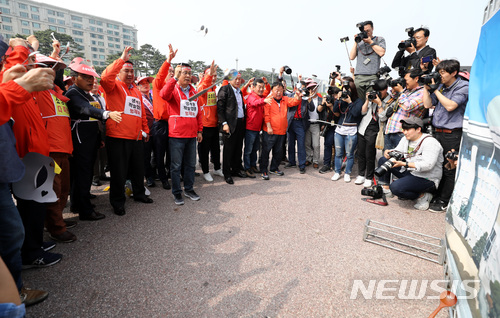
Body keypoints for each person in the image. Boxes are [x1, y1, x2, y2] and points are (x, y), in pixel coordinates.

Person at [0, 45, 56, 306]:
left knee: (20, 224)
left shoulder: (18, 85)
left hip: (27, 157)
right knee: (16, 226)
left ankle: (16, 286)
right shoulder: (15, 83)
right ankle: (13, 294)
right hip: (25, 156)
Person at [66, 58, 122, 220]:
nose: (92, 80)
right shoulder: (73, 93)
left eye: (92, 77)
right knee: (83, 174)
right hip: (80, 139)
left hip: (89, 138)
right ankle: (85, 210)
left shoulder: (84, 93)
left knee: (84, 173)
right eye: (86, 77)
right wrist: (107, 114)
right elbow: (87, 109)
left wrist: (99, 137)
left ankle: (78, 203)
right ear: (75, 78)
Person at [100, 47, 153, 216]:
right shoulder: (113, 86)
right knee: (119, 172)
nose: (130, 74)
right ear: (119, 72)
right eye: (126, 71)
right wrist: (121, 59)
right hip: (118, 137)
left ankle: (139, 194)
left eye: (132, 71)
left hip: (136, 137)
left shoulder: (136, 91)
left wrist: (145, 130)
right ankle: (117, 202)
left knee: (138, 169)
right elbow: (104, 77)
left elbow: (141, 113)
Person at [34, 49, 77, 243]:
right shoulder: (38, 91)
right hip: (49, 150)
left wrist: (56, 57)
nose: (52, 72)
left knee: (64, 189)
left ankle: (55, 221)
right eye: (47, 68)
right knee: (54, 190)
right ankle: (56, 228)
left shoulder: (58, 93)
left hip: (64, 149)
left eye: (54, 69)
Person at [423, 59, 469, 212]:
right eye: (439, 72)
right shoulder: (441, 86)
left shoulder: (463, 86)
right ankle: (436, 194)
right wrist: (426, 87)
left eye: (442, 73)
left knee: (449, 168)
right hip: (437, 132)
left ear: (454, 72)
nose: (440, 76)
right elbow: (427, 105)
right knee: (437, 165)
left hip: (452, 134)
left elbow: (450, 106)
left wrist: (435, 89)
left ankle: (444, 200)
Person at [160, 60, 206, 205]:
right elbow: (163, 94)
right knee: (175, 166)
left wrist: (200, 130)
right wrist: (173, 78)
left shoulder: (194, 91)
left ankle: (189, 189)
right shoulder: (173, 89)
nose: (187, 75)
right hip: (177, 135)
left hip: (192, 135)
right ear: (179, 74)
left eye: (189, 73)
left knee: (190, 165)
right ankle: (177, 192)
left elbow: (198, 113)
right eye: (184, 73)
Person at [377, 117, 443, 210]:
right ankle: (386, 189)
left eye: (407, 129)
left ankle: (423, 196)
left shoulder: (431, 142)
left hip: (427, 178)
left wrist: (404, 164)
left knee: (396, 187)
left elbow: (428, 165)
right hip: (411, 171)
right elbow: (398, 151)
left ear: (418, 129)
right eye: (403, 129)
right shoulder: (406, 139)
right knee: (384, 160)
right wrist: (389, 152)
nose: (404, 132)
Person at [261, 82, 301, 180]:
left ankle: (274, 168)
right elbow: (266, 115)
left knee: (278, 152)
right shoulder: (269, 100)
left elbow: (295, 102)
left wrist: (299, 97)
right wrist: (269, 126)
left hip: (282, 131)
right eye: (276, 90)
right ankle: (263, 170)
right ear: (272, 91)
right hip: (270, 131)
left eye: (281, 90)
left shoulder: (285, 99)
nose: (278, 93)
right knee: (266, 151)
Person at [354, 80, 389, 188]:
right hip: (363, 128)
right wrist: (367, 100)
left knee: (370, 155)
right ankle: (361, 174)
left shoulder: (389, 101)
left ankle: (369, 177)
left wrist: (379, 104)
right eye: (375, 91)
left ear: (385, 90)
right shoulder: (372, 97)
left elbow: (383, 117)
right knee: (361, 153)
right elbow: (363, 112)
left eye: (379, 91)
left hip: (375, 129)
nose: (377, 93)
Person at [151, 44, 177, 190]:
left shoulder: (174, 88)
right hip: (160, 125)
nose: (171, 73)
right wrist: (168, 61)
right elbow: (161, 74)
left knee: (171, 153)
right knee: (159, 154)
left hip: (173, 124)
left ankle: (169, 174)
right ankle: (162, 178)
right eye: (169, 71)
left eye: (173, 71)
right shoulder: (158, 84)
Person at [384, 69, 425, 150]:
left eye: (406, 80)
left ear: (416, 79)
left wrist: (401, 91)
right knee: (387, 160)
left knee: (401, 160)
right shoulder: (406, 91)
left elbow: (407, 107)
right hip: (390, 130)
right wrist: (394, 86)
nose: (405, 82)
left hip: (403, 133)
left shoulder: (422, 92)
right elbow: (392, 96)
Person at [217, 71, 247, 184]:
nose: (238, 81)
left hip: (240, 123)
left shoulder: (239, 92)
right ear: (230, 79)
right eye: (235, 79)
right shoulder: (225, 89)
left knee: (238, 148)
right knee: (228, 149)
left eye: (239, 79)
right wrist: (224, 123)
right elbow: (219, 109)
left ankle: (236, 169)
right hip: (229, 124)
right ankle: (227, 173)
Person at [331, 77, 363, 182]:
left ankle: (347, 173)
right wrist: (338, 100)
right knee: (338, 153)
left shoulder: (358, 101)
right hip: (339, 129)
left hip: (351, 130)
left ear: (352, 90)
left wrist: (349, 102)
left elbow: (355, 113)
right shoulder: (342, 99)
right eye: (344, 89)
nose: (345, 92)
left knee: (349, 154)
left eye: (347, 90)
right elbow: (335, 111)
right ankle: (337, 172)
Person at [197, 63, 224, 181]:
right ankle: (206, 171)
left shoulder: (214, 88)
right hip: (204, 125)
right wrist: (207, 77)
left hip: (214, 124)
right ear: (205, 76)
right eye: (210, 75)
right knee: (204, 150)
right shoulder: (201, 87)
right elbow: (203, 88)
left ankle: (217, 168)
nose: (213, 77)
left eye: (215, 75)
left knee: (216, 148)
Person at [349, 20, 386, 101]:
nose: (366, 33)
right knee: (359, 101)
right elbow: (351, 57)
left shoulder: (379, 39)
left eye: (368, 31)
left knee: (370, 101)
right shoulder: (359, 41)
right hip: (359, 76)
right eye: (364, 31)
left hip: (372, 75)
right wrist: (356, 42)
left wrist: (370, 42)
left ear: (372, 28)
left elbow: (381, 52)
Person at [244, 78, 270, 177]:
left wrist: (266, 84)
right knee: (248, 150)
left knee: (255, 149)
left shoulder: (261, 96)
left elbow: (267, 92)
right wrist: (265, 100)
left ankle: (253, 165)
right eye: (259, 87)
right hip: (250, 128)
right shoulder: (251, 97)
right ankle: (247, 168)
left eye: (262, 87)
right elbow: (256, 103)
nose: (261, 89)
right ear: (253, 87)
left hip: (258, 128)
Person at [285, 81, 309, 173]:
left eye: (303, 88)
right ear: (295, 88)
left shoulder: (306, 97)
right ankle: (292, 162)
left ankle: (302, 165)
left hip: (300, 123)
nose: (301, 90)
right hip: (290, 122)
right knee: (290, 143)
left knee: (301, 144)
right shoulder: (290, 96)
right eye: (300, 88)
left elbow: (310, 108)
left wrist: (308, 98)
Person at [137, 76, 156, 187]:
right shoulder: (138, 97)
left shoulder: (153, 95)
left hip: (157, 130)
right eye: (142, 83)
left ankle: (154, 173)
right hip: (145, 131)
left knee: (157, 155)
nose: (145, 85)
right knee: (146, 156)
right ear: (138, 86)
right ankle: (149, 177)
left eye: (147, 83)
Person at [317, 86, 340, 174]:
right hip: (329, 126)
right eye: (331, 95)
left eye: (334, 95)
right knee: (328, 144)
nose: (333, 97)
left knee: (338, 146)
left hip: (338, 125)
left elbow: (338, 115)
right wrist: (323, 103)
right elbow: (319, 110)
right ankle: (326, 164)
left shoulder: (340, 101)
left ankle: (336, 164)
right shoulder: (326, 100)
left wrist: (331, 107)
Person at [304, 81, 323, 169]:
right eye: (310, 89)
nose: (312, 90)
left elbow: (323, 113)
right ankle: (308, 158)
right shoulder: (306, 99)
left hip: (316, 124)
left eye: (314, 88)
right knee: (307, 143)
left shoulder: (320, 99)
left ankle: (315, 160)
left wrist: (322, 123)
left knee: (316, 144)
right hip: (307, 123)